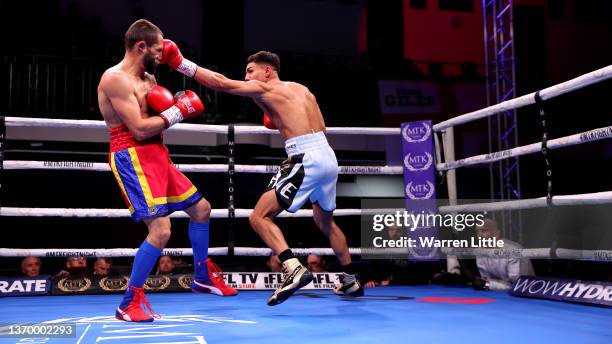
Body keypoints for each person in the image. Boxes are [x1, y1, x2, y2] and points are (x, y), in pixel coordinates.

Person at [159, 44, 363, 305]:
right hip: (327, 155)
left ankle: (292, 268)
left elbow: (222, 84)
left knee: (259, 217)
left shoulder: (267, 87)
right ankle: (350, 279)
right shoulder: (303, 90)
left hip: (305, 157)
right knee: (325, 222)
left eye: (250, 71)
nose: (246, 78)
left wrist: (181, 64)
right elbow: (321, 126)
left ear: (268, 71)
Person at [97, 19, 236, 322]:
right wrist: (177, 111)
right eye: (158, 50)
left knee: (201, 209)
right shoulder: (115, 79)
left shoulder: (148, 79)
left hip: (157, 152)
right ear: (141, 46)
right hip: (131, 154)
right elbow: (139, 128)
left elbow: (157, 124)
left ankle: (202, 277)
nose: (163, 56)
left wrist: (176, 94)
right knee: (160, 230)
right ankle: (128, 303)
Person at [472, 218, 535, 291]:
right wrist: (487, 284)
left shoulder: (513, 250)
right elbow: (486, 279)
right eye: (477, 232)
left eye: (484, 231)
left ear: (497, 233)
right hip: (497, 292)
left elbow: (518, 284)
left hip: (526, 291)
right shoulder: (479, 251)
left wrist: (488, 285)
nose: (479, 236)